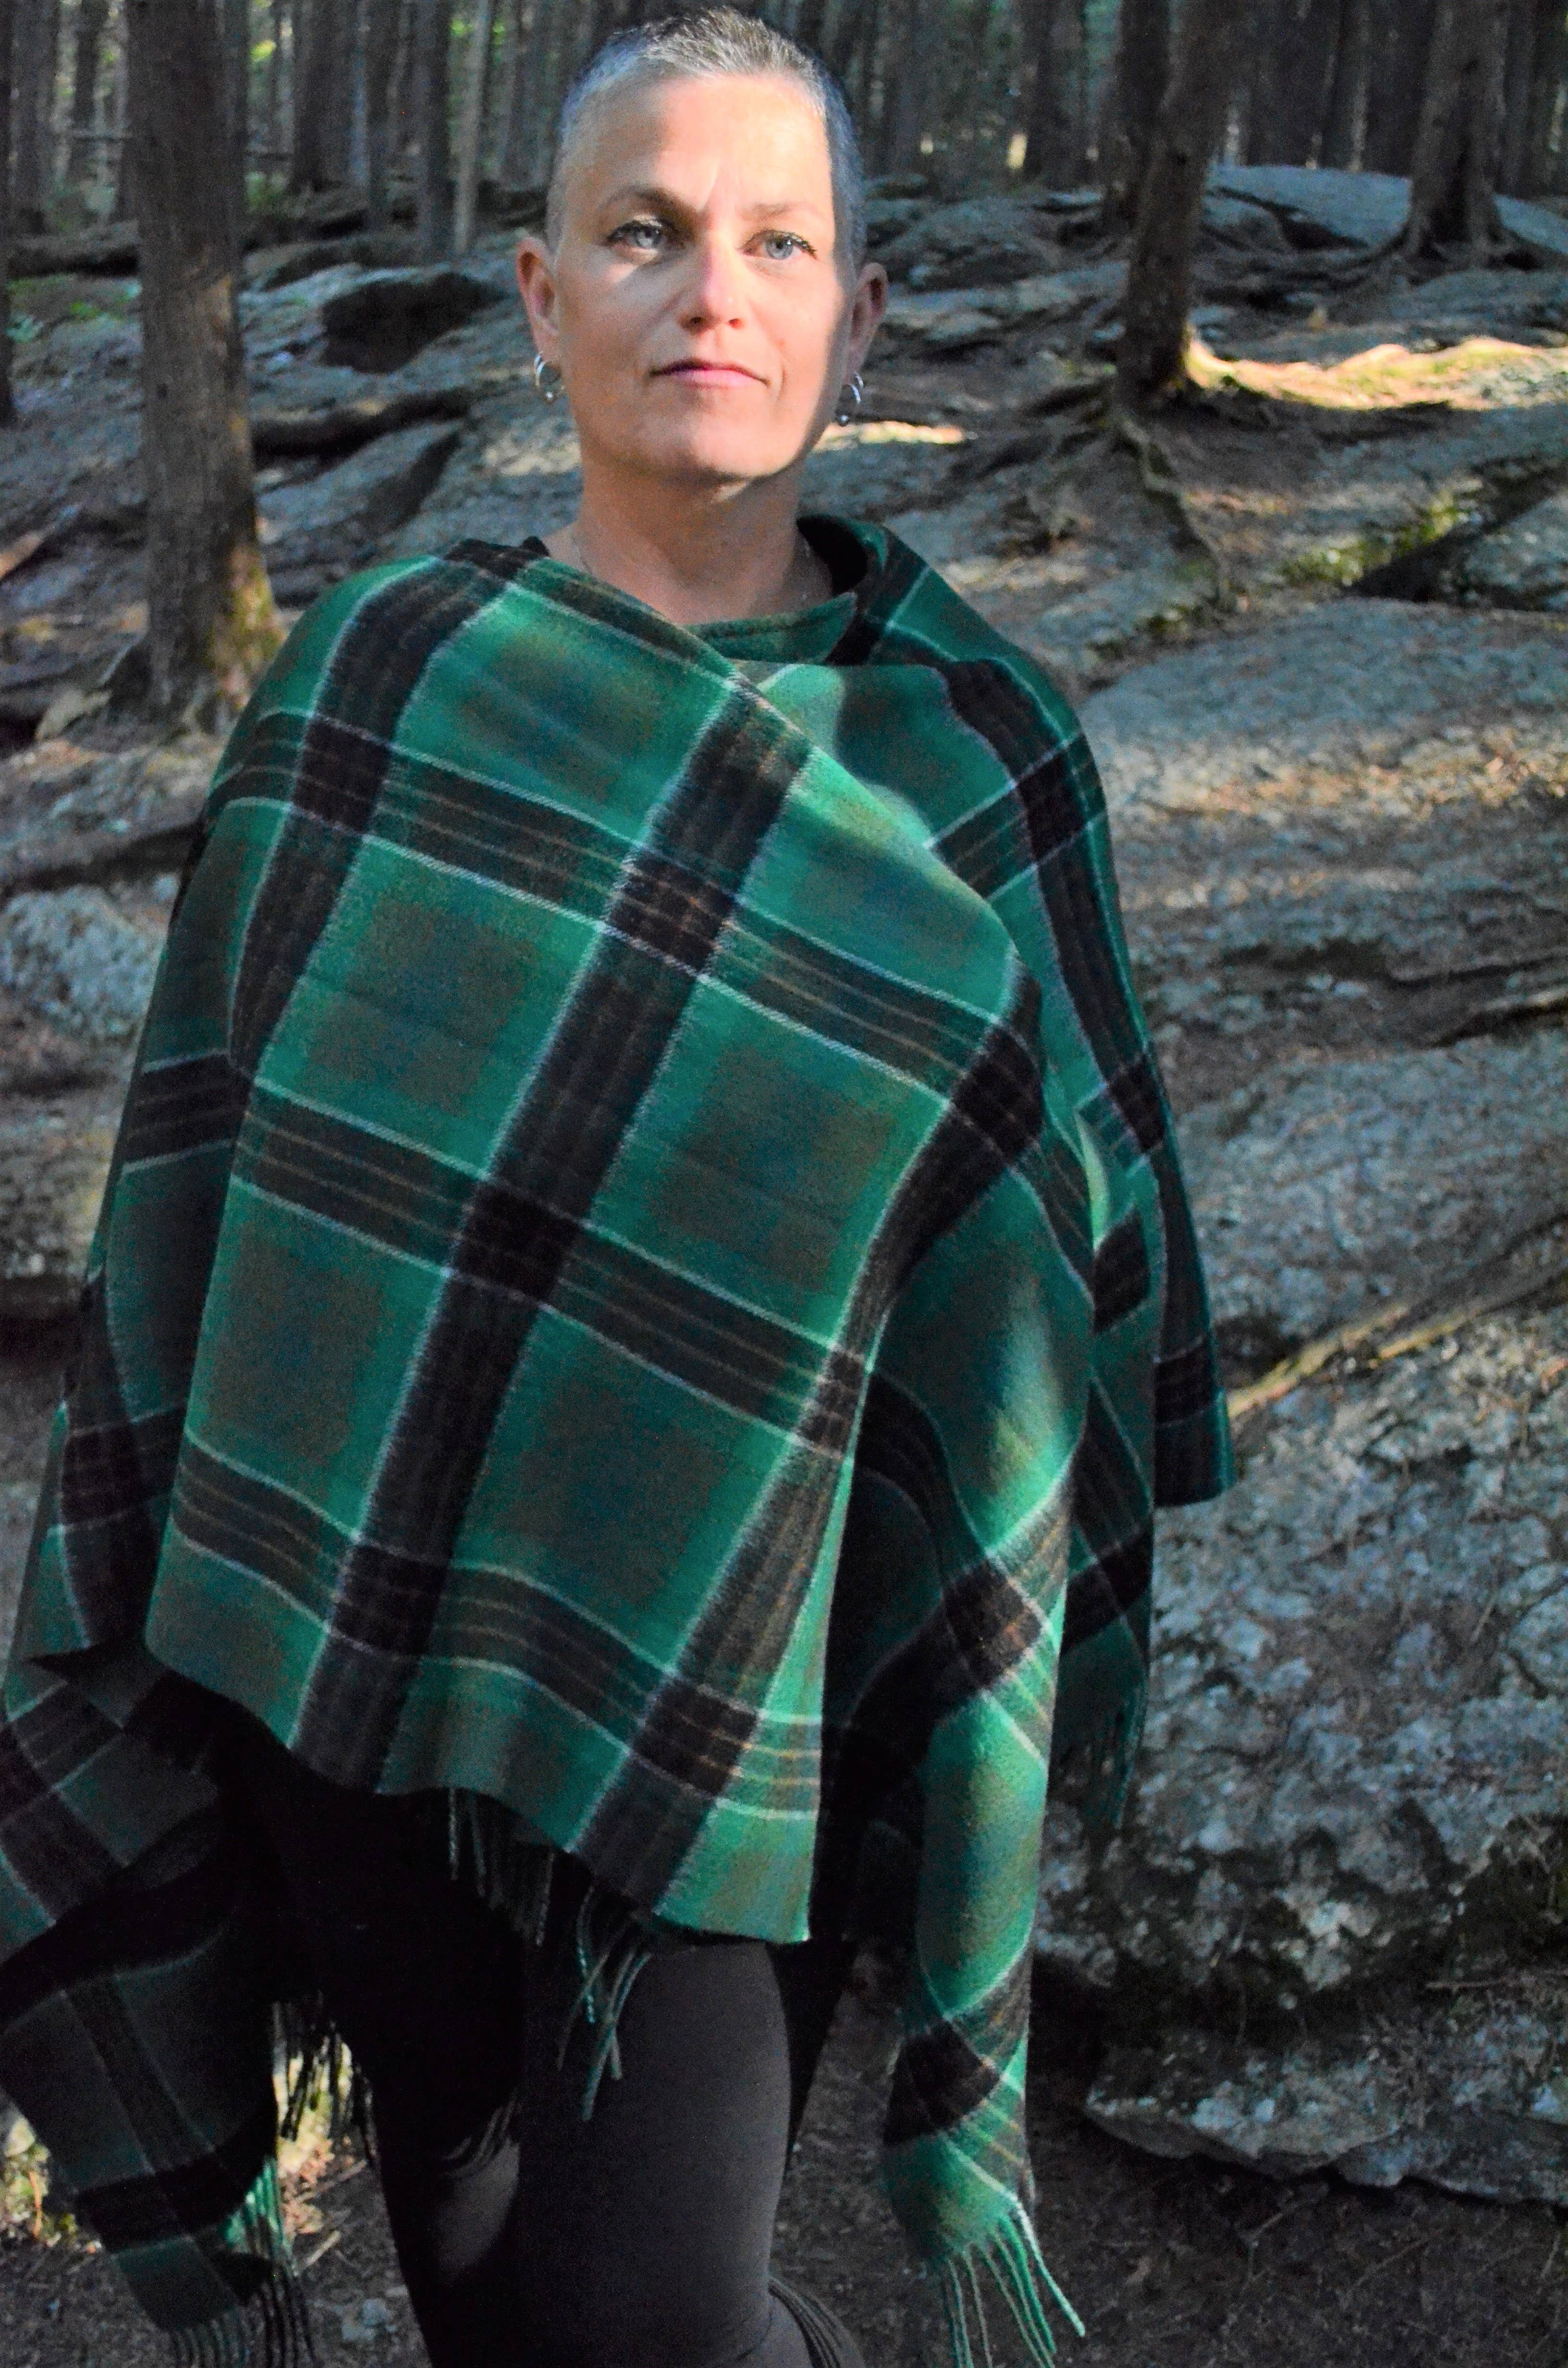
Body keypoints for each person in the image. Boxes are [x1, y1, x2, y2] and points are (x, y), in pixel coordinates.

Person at [0, 14, 1231, 2368]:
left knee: (653, 2313)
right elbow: (222, 1186)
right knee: (466, 2237)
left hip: (733, 1692)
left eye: (780, 241)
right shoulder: (386, 678)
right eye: (646, 233)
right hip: (345, 1632)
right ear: (543, 296)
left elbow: (1048, 1292)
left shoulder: (975, 760)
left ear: (863, 315)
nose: (712, 291)